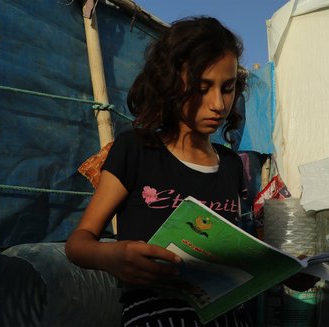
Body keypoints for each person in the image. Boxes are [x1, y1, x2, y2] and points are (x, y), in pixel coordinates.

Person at [66, 16, 252, 326]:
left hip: (228, 317)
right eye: (202, 88)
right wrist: (112, 256)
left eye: (228, 88)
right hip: (157, 317)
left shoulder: (231, 165)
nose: (218, 104)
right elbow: (78, 243)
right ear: (169, 82)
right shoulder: (136, 150)